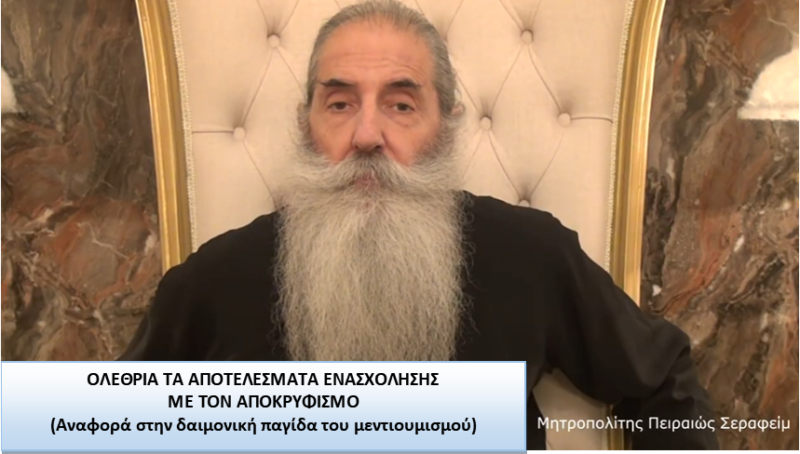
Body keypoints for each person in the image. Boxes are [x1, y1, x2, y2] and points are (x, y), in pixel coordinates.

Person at [118, 0, 719, 450]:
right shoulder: (214, 279)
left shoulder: (528, 255)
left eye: (401, 105)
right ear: (306, 125)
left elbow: (663, 380)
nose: (367, 135)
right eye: (339, 103)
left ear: (445, 127)